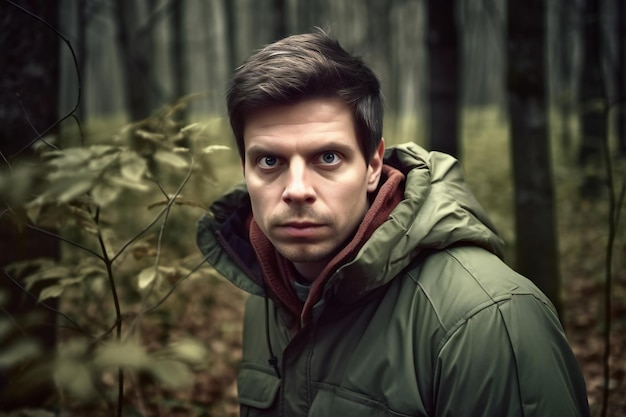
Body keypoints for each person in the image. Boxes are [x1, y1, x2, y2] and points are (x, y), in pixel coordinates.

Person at [196, 30, 590, 417]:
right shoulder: (268, 293)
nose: (297, 190)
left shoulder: (488, 320)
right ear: (244, 168)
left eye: (328, 157)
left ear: (372, 165)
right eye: (269, 161)